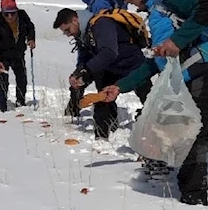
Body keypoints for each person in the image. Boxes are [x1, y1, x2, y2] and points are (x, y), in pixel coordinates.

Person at [100, 0, 208, 206]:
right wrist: (120, 86)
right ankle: (186, 190)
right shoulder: (156, 11)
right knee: (179, 133)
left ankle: (194, 200)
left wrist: (177, 41)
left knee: (192, 135)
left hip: (204, 74)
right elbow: (155, 61)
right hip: (186, 79)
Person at [53, 7, 151, 141]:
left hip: (133, 65)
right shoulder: (83, 33)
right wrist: (78, 74)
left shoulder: (102, 24)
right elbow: (85, 57)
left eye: (67, 30)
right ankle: (101, 138)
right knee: (102, 100)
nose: (67, 34)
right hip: (110, 68)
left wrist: (87, 70)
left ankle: (159, 136)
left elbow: (109, 52)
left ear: (75, 20)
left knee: (150, 101)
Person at [64, 0, 117, 117]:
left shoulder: (98, 3)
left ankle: (104, 119)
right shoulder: (100, 0)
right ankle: (74, 111)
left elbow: (102, 25)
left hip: (99, 53)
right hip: (98, 52)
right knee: (93, 83)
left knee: (99, 85)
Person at [0, 0, 36, 112]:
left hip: (18, 53)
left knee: (22, 78)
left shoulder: (23, 16)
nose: (10, 17)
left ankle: (20, 101)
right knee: (3, 81)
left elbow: (30, 27)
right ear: (2, 13)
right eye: (6, 14)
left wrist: (31, 38)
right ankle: (2, 107)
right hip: (2, 55)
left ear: (16, 11)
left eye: (13, 13)